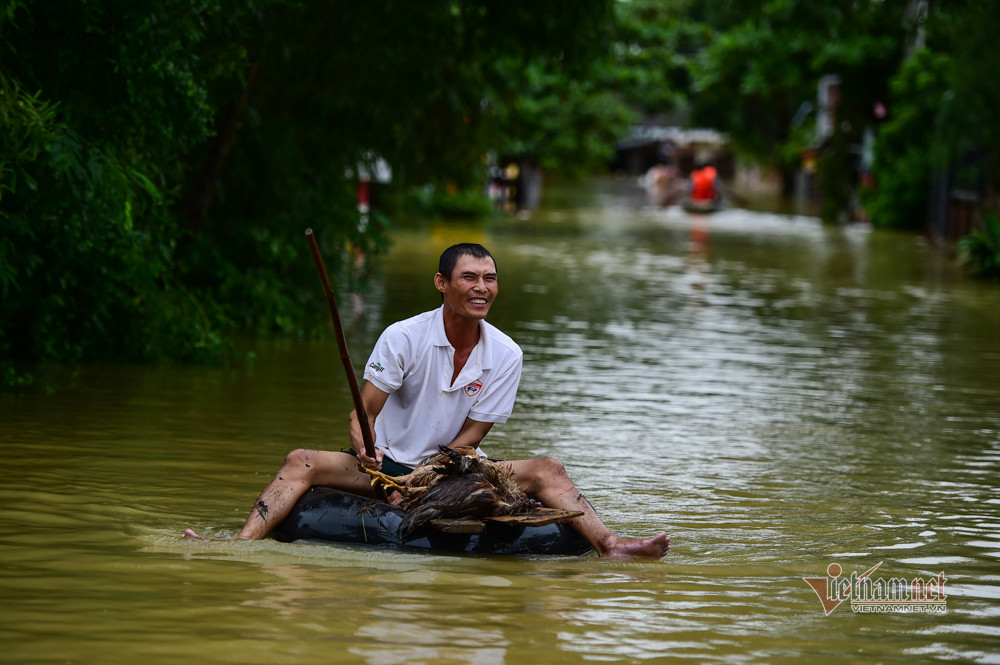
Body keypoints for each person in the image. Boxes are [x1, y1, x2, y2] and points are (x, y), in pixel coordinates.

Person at [186, 243, 669, 560]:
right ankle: (236, 544)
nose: (482, 287)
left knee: (550, 469)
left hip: (452, 467)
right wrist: (368, 454)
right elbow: (363, 413)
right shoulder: (404, 337)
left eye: (490, 278)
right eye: (470, 277)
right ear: (442, 284)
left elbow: (473, 438)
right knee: (300, 461)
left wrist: (428, 481)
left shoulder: (506, 353)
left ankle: (609, 544)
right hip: (385, 462)